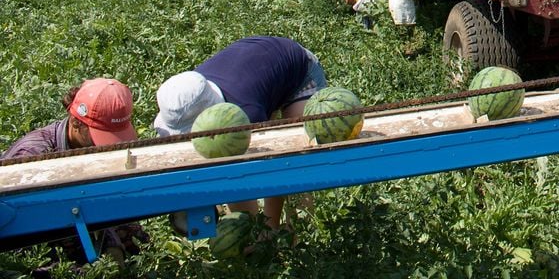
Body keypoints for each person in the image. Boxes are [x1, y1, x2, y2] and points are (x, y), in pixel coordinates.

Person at [154, 36, 328, 229]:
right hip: (258, 73)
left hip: (299, 71)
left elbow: (276, 168)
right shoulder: (181, 96)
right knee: (232, 169)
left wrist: (269, 227)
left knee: (299, 160)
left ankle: (297, 240)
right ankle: (252, 238)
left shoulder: (246, 112)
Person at [2, 78, 146, 265]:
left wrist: (111, 241)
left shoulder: (89, 148)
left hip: (81, 214)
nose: (108, 148)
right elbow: (21, 231)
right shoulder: (32, 157)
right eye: (101, 137)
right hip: (34, 233)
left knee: (139, 244)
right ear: (76, 123)